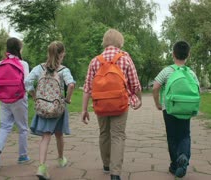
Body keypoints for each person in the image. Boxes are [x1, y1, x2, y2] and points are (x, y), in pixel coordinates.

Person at [81, 29, 142, 180]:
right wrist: (138, 99)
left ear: (104, 42)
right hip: (120, 104)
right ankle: (115, 173)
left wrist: (84, 109)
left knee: (104, 133)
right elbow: (135, 84)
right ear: (120, 43)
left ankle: (106, 164)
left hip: (100, 104)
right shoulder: (125, 59)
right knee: (118, 136)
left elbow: (88, 88)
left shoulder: (95, 60)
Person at [25, 41, 75, 180]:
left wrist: (35, 97)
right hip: (58, 107)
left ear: (49, 53)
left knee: (45, 137)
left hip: (43, 107)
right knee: (59, 134)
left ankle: (41, 166)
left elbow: (27, 82)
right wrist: (67, 99)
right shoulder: (64, 70)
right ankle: (60, 158)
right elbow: (71, 85)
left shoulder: (39, 68)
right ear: (62, 53)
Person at [152, 41, 199, 178]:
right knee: (185, 135)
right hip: (186, 109)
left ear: (173, 54)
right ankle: (183, 156)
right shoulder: (190, 72)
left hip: (170, 109)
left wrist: (158, 103)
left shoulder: (167, 70)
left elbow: (155, 87)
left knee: (172, 136)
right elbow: (197, 89)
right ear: (188, 55)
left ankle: (175, 165)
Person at [0, 37, 30, 171]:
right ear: (19, 49)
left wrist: (2, 93)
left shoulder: (0, 63)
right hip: (19, 99)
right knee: (22, 128)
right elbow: (27, 83)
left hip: (4, 101)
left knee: (4, 127)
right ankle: (23, 156)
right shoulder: (23, 64)